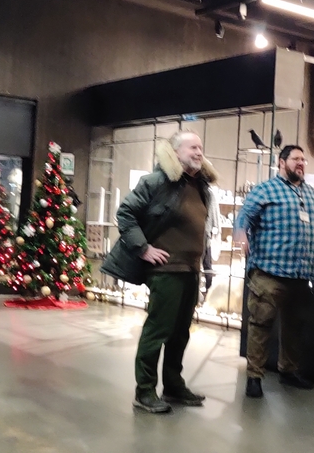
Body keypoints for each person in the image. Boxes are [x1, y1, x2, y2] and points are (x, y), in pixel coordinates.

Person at [100, 130, 218, 414]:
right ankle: (144, 392)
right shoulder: (156, 182)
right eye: (192, 147)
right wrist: (144, 249)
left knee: (180, 333)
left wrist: (205, 265)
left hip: (190, 270)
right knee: (158, 330)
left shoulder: (200, 186)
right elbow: (125, 214)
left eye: (201, 147)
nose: (198, 152)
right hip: (166, 270)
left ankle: (174, 386)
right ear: (175, 153)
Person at [234, 145, 314, 398]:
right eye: (296, 159)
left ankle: (288, 371)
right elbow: (245, 216)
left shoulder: (312, 195)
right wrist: (240, 233)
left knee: (294, 326)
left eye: (304, 160)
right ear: (281, 163)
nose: (301, 163)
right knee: (261, 325)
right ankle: (254, 377)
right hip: (269, 273)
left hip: (300, 277)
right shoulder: (265, 190)